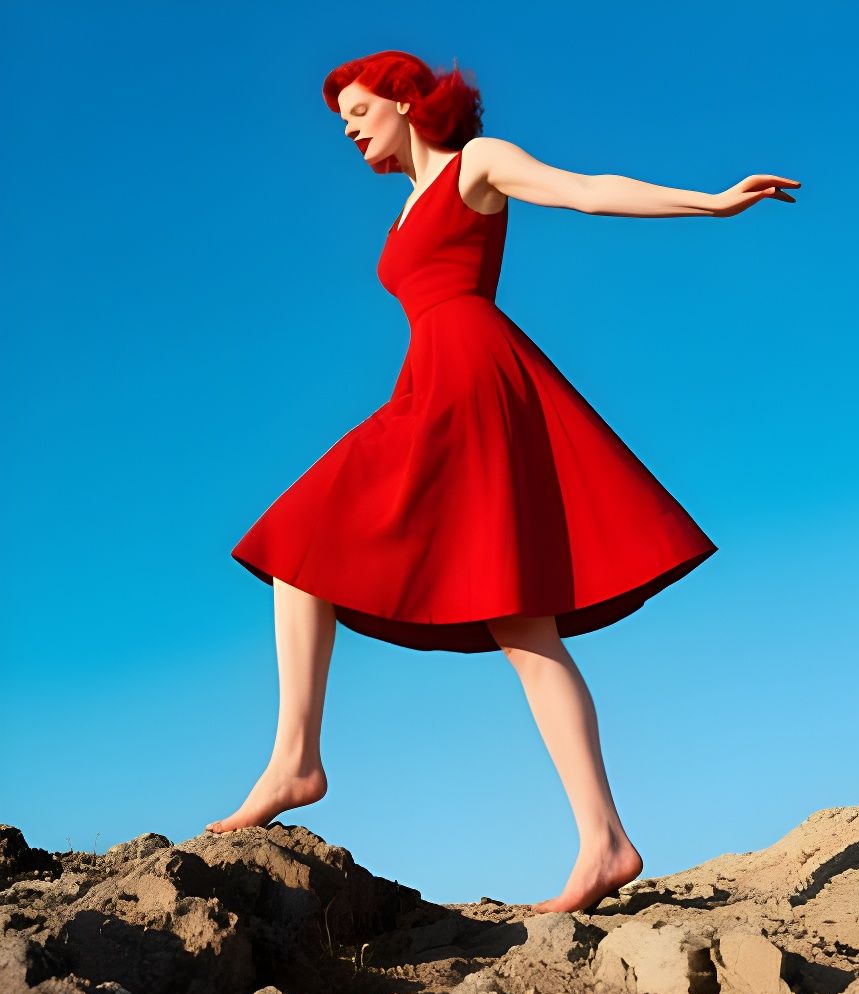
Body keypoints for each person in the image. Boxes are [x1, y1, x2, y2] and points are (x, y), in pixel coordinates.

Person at [205, 50, 799, 915]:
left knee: (310, 533)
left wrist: (709, 201)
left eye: (359, 109)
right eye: (343, 119)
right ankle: (605, 840)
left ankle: (298, 760)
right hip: (430, 383)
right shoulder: (405, 209)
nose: (348, 127)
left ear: (409, 102)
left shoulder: (473, 167)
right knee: (516, 620)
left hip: (476, 382)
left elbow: (585, 189)